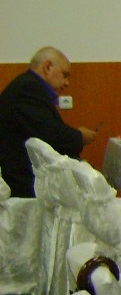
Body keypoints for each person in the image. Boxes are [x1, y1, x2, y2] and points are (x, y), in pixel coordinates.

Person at [0, 46, 97, 198]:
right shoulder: (28, 89)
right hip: (25, 181)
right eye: (64, 75)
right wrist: (80, 136)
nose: (67, 83)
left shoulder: (28, 86)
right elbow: (51, 136)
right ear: (47, 67)